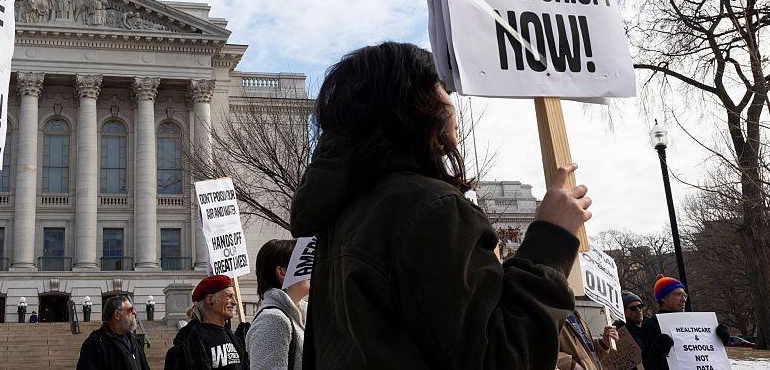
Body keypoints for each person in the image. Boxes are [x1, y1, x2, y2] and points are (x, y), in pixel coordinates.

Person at [289, 42, 593, 369]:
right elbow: (501, 356)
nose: (451, 103)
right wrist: (551, 241)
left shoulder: (345, 216)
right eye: (441, 87)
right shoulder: (430, 209)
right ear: (410, 104)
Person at [640, 275, 730, 370]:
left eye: (684, 295)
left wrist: (719, 340)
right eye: (678, 294)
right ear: (663, 298)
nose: (684, 300)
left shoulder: (695, 321)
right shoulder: (651, 325)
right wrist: (658, 350)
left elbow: (702, 353)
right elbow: (648, 364)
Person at [245, 240, 308, 370]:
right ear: (282, 272)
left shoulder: (303, 315)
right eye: (303, 263)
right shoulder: (272, 320)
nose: (310, 270)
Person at [165, 275, 249, 370]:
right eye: (229, 296)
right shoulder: (187, 346)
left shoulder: (235, 339)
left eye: (234, 297)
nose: (235, 302)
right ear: (210, 299)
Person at [77, 295, 149, 370]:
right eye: (130, 310)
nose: (134, 312)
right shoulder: (95, 343)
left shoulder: (134, 341)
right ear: (117, 315)